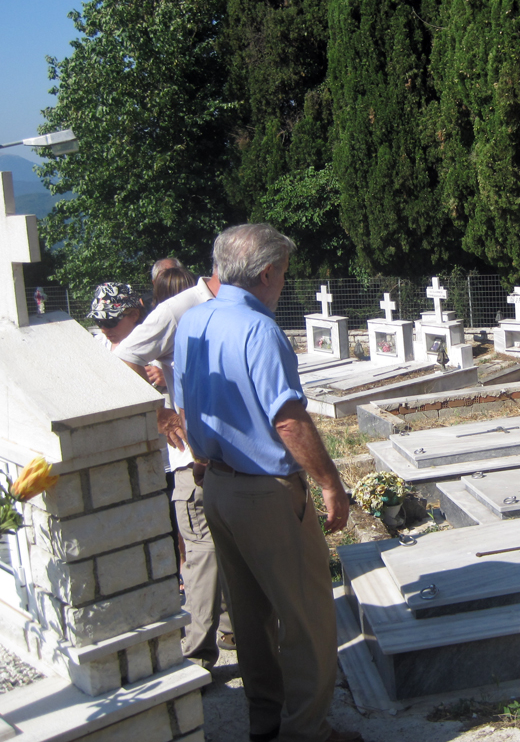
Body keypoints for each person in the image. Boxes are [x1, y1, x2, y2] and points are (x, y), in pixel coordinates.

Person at [173, 224, 359, 742]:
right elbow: (288, 421)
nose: (283, 284)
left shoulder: (193, 321)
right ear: (267, 273)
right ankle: (305, 732)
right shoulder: (259, 329)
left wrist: (204, 459)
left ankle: (266, 721)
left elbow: (185, 404)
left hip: (216, 485)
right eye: (283, 274)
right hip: (265, 492)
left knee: (249, 617)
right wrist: (329, 483)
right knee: (308, 619)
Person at [111, 266, 235, 669]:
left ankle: (231, 628)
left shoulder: (231, 304)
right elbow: (121, 358)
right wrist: (160, 414)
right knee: (203, 552)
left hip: (230, 455)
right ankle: (198, 654)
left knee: (228, 545)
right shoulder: (177, 310)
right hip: (192, 459)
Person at [88, 283, 144, 349]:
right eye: (98, 322)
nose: (103, 330)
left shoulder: (147, 348)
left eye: (110, 322)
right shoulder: (98, 343)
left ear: (134, 315)